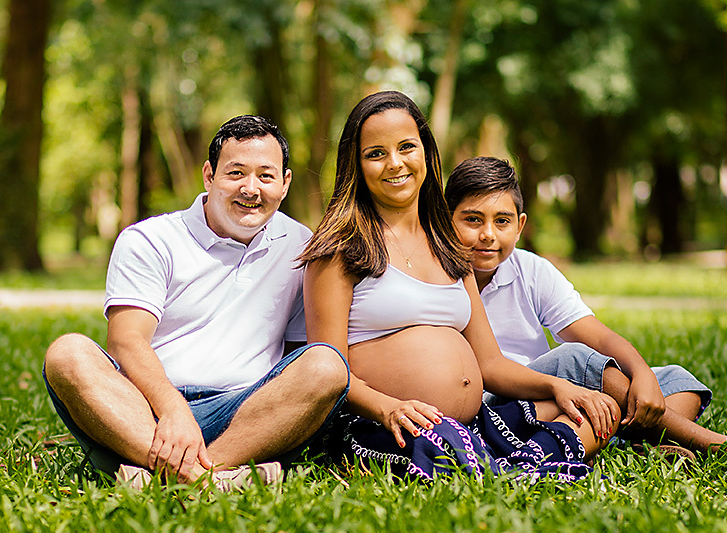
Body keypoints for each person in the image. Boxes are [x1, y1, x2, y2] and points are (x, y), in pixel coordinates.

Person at [299, 91, 619, 480]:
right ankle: (514, 463)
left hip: (475, 419)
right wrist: (387, 407)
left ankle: (498, 462)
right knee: (443, 444)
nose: (395, 163)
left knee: (596, 407)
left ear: (426, 155)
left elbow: (490, 364)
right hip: (389, 424)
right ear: (356, 164)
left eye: (406, 147)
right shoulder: (340, 248)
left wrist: (555, 387)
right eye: (376, 153)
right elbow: (328, 373)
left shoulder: (447, 245)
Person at [43, 115, 349, 491]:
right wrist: (172, 409)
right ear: (209, 175)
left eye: (266, 177)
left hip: (242, 410)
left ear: (285, 183)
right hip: (145, 408)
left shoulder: (302, 246)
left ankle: (159, 472)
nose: (251, 189)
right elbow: (126, 340)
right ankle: (219, 478)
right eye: (236, 173)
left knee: (327, 366)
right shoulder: (150, 239)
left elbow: (296, 352)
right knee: (67, 353)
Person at [443, 155, 727, 461]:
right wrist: (560, 385)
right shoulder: (441, 276)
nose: (488, 234)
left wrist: (641, 372)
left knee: (677, 382)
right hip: (499, 403)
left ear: (520, 226)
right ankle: (719, 446)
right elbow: (493, 368)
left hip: (556, 391)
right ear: (445, 220)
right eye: (473, 220)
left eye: (501, 221)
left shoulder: (530, 270)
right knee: (574, 358)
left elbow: (597, 333)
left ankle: (641, 443)